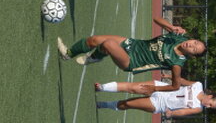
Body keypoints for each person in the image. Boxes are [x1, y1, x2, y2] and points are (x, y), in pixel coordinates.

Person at [57, 16, 205, 92]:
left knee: (108, 44)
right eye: (195, 42)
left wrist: (155, 88)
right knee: (94, 40)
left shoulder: (177, 63)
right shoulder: (178, 36)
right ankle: (68, 54)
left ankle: (95, 57)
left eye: (194, 49)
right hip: (133, 44)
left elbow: (176, 86)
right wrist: (171, 26)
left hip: (132, 61)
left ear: (191, 55)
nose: (191, 45)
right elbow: (156, 19)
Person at [95, 78, 216, 116]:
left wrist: (171, 113)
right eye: (210, 104)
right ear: (210, 96)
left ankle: (104, 105)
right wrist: (170, 77)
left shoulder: (198, 108)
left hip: (160, 104)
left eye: (210, 107)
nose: (208, 106)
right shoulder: (198, 85)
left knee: (129, 104)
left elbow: (183, 112)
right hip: (162, 88)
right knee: (132, 87)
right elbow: (182, 81)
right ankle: (102, 87)